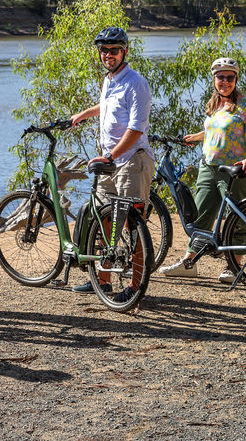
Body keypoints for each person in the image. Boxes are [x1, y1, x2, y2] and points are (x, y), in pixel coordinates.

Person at [159, 57, 246, 283]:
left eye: (229, 77)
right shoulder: (214, 104)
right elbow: (216, 130)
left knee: (236, 215)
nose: (224, 81)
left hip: (233, 169)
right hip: (208, 166)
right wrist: (197, 137)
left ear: (236, 80)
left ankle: (235, 266)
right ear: (214, 80)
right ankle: (189, 262)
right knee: (201, 214)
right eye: (220, 77)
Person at [69, 26, 155, 301]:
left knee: (133, 226)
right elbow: (107, 108)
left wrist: (110, 156)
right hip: (110, 161)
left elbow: (136, 129)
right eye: (103, 50)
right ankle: (102, 281)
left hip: (132, 160)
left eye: (114, 50)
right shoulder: (109, 80)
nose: (108, 54)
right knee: (103, 220)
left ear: (125, 51)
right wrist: (84, 113)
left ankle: (135, 287)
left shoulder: (136, 83)